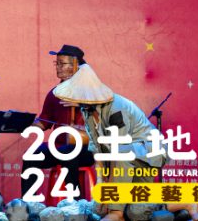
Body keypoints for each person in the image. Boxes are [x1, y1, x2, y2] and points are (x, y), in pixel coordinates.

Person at [53, 63, 168, 221]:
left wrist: (112, 200)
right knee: (134, 213)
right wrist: (102, 184)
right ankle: (179, 204)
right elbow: (98, 151)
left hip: (148, 153)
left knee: (118, 206)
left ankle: (117, 212)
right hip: (128, 160)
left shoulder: (116, 108)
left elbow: (118, 151)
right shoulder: (87, 110)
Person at [21, 44, 95, 197]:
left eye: (63, 64)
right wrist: (27, 124)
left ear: (76, 66)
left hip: (87, 148)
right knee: (31, 155)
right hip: (59, 145)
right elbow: (44, 122)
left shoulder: (92, 91)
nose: (58, 68)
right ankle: (29, 202)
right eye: (57, 63)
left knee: (68, 152)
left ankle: (76, 202)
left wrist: (82, 104)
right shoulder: (54, 94)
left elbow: (103, 117)